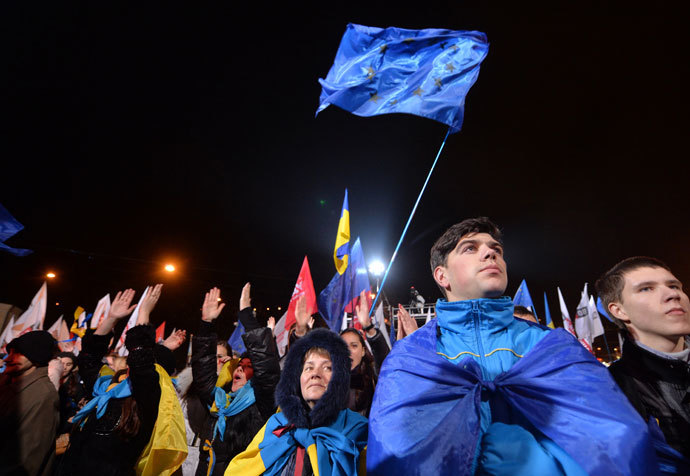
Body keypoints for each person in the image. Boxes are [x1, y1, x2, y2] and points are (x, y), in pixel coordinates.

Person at [367, 217, 659, 476]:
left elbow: (619, 441)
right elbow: (396, 454)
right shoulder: (411, 356)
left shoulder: (554, 345)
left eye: (496, 249)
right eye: (470, 248)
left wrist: (546, 467)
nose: (490, 252)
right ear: (442, 276)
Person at [57, 284, 186, 476]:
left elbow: (142, 364)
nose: (132, 361)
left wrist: (144, 314)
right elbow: (89, 359)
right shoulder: (107, 386)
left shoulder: (148, 398)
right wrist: (111, 318)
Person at [226, 328, 368, 475]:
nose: (315, 374)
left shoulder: (359, 429)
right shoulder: (277, 423)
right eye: (308, 368)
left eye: (327, 367)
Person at [596, 257, 690, 463]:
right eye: (646, 289)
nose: (673, 294)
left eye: (674, 285)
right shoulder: (613, 389)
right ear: (619, 311)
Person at [191, 284, 280, 476]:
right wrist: (206, 323)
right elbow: (202, 371)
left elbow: (266, 368)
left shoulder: (263, 404)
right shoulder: (220, 400)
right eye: (240, 365)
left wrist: (247, 317)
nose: (240, 367)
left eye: (249, 366)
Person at [0, 330, 59, 476]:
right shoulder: (5, 380)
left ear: (36, 358)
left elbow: (26, 459)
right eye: (10, 353)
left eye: (17, 354)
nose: (8, 359)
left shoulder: (44, 396)